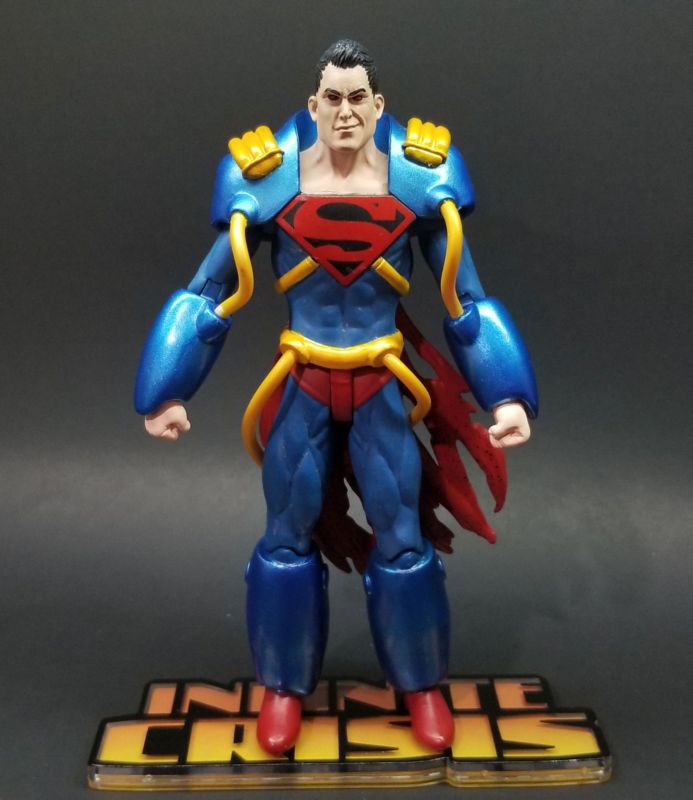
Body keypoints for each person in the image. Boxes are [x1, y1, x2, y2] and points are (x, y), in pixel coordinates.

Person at [135, 39, 538, 755]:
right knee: (285, 535)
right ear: (313, 104)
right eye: (333, 98)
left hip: (382, 384)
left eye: (357, 98)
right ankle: (284, 689)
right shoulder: (267, 182)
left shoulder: (420, 179)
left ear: (377, 106)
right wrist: (166, 391)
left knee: (402, 536)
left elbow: (467, 300)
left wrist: (506, 394)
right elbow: (209, 290)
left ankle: (420, 686)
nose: (345, 111)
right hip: (303, 383)